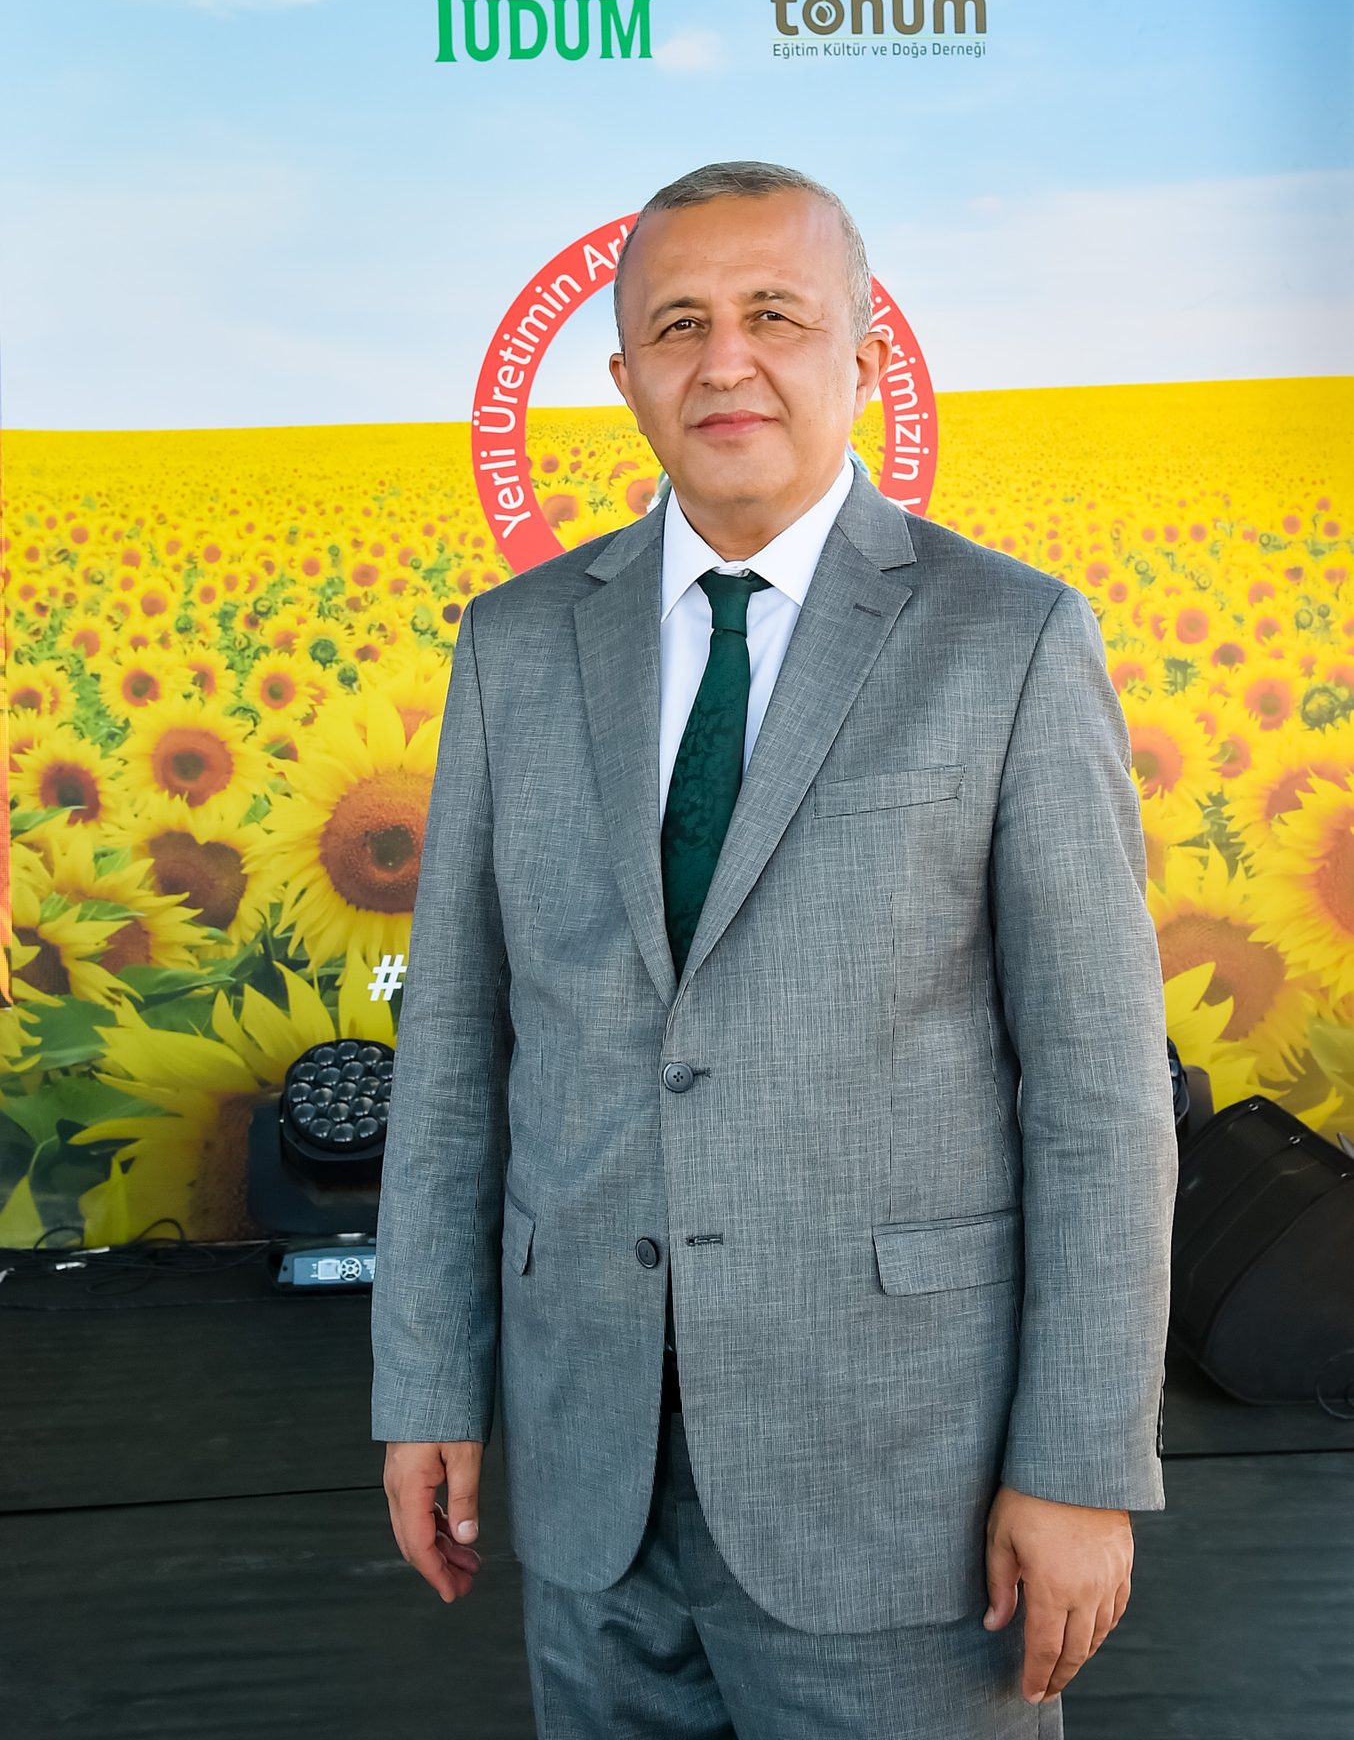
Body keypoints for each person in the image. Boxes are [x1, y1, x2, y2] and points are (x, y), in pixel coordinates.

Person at [371, 160, 1178, 1738]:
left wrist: (1080, 1464)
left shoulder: (1009, 639)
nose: (723, 361)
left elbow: (1096, 1093)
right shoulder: (514, 645)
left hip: (904, 1487)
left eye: (773, 316)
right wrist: (427, 1385)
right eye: (678, 324)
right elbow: (457, 1051)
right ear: (623, 377)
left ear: (863, 355)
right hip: (590, 1479)